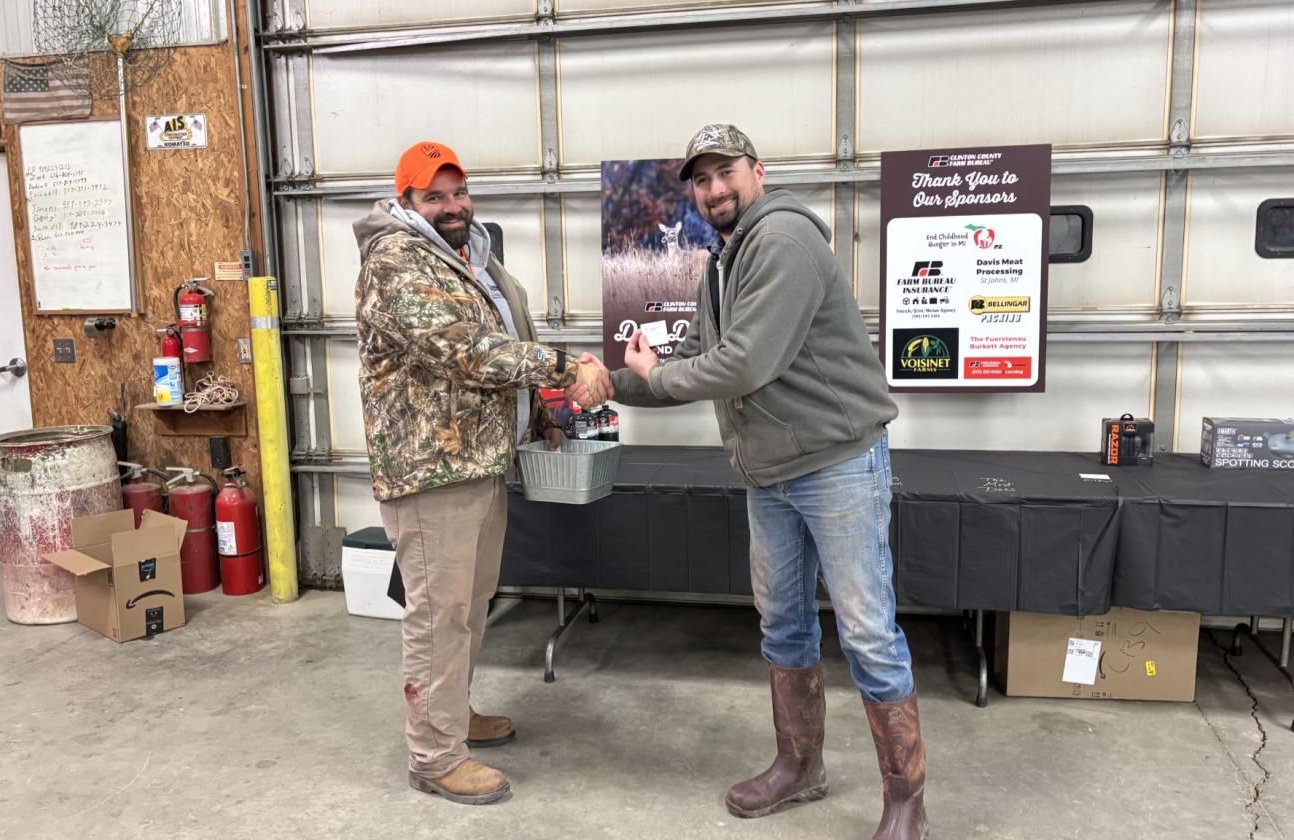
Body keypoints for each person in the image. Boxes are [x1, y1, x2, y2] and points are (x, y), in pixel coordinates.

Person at [608, 124, 927, 839]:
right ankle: (799, 765)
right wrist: (613, 384)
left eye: (726, 173)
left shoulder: (782, 240)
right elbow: (695, 358)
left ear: (758, 171)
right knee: (783, 623)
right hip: (771, 473)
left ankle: (907, 799)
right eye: (701, 179)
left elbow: (744, 364)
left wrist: (656, 374)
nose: (714, 189)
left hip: (837, 465)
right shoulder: (723, 261)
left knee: (867, 633)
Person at [354, 140, 611, 806]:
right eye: (434, 196)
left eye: (459, 192)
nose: (452, 205)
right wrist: (565, 368)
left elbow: (503, 346)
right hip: (431, 472)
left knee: (468, 607)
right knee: (439, 615)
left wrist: (540, 416)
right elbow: (465, 351)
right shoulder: (396, 259)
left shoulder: (468, 257)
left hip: (476, 462)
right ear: (406, 202)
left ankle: (451, 717)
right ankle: (434, 756)